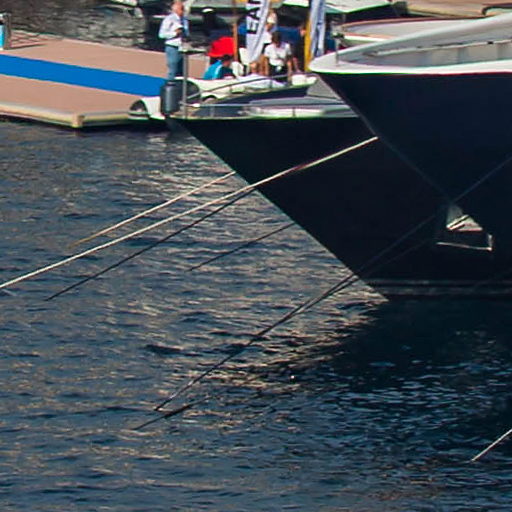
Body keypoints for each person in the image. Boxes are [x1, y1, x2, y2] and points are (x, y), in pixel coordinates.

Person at [158, 0, 189, 81]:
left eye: (183, 9)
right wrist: (174, 33)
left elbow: (186, 32)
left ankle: (180, 86)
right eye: (181, 9)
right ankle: (170, 85)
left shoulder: (185, 20)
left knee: (182, 71)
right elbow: (161, 35)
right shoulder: (169, 19)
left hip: (182, 47)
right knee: (173, 70)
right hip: (172, 47)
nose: (183, 11)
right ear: (175, 9)